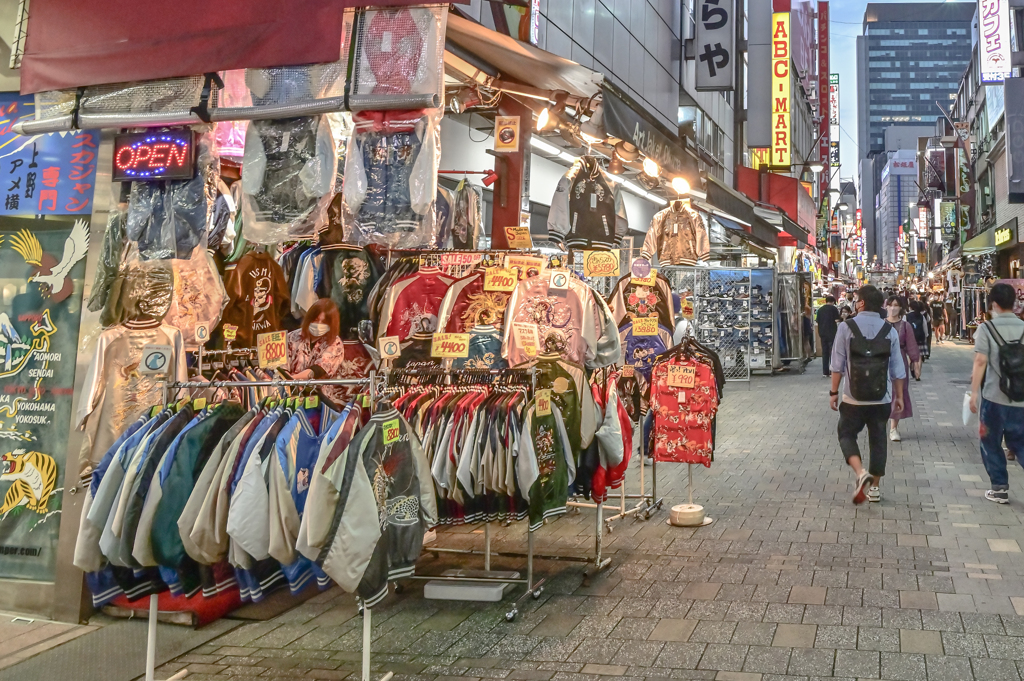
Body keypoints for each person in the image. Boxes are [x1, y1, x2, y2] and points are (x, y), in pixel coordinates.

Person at [830, 285, 906, 504]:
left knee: (846, 433)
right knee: (878, 439)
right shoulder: (889, 331)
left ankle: (860, 471)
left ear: (861, 303)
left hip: (852, 398)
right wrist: (899, 396)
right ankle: (875, 489)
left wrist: (833, 392)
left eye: (855, 299)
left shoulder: (846, 327)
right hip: (881, 397)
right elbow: (897, 369)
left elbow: (837, 364)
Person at [969, 283, 1024, 503]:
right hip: (1021, 398)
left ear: (993, 303)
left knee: (990, 441)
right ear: (1014, 303)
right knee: (1020, 442)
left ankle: (999, 487)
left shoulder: (986, 328)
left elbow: (980, 361)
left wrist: (973, 393)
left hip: (994, 396)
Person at [287, 298, 371, 402]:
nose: (318, 325)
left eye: (324, 322)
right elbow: (279, 363)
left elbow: (318, 370)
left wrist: (292, 379)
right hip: (286, 395)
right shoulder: (291, 337)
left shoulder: (335, 343)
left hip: (317, 399)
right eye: (316, 320)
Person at [885, 296, 921, 441]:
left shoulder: (905, 326)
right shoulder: (880, 324)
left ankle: (893, 427)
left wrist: (916, 364)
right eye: (890, 305)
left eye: (896, 305)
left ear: (901, 308)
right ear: (886, 306)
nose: (893, 308)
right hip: (881, 361)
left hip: (899, 360)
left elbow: (912, 346)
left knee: (897, 392)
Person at [816, 295, 841, 377]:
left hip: (822, 332)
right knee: (832, 352)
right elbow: (837, 320)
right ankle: (831, 371)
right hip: (831, 332)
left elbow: (817, 321)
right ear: (833, 302)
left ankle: (825, 372)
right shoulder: (834, 309)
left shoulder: (820, 309)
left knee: (825, 352)